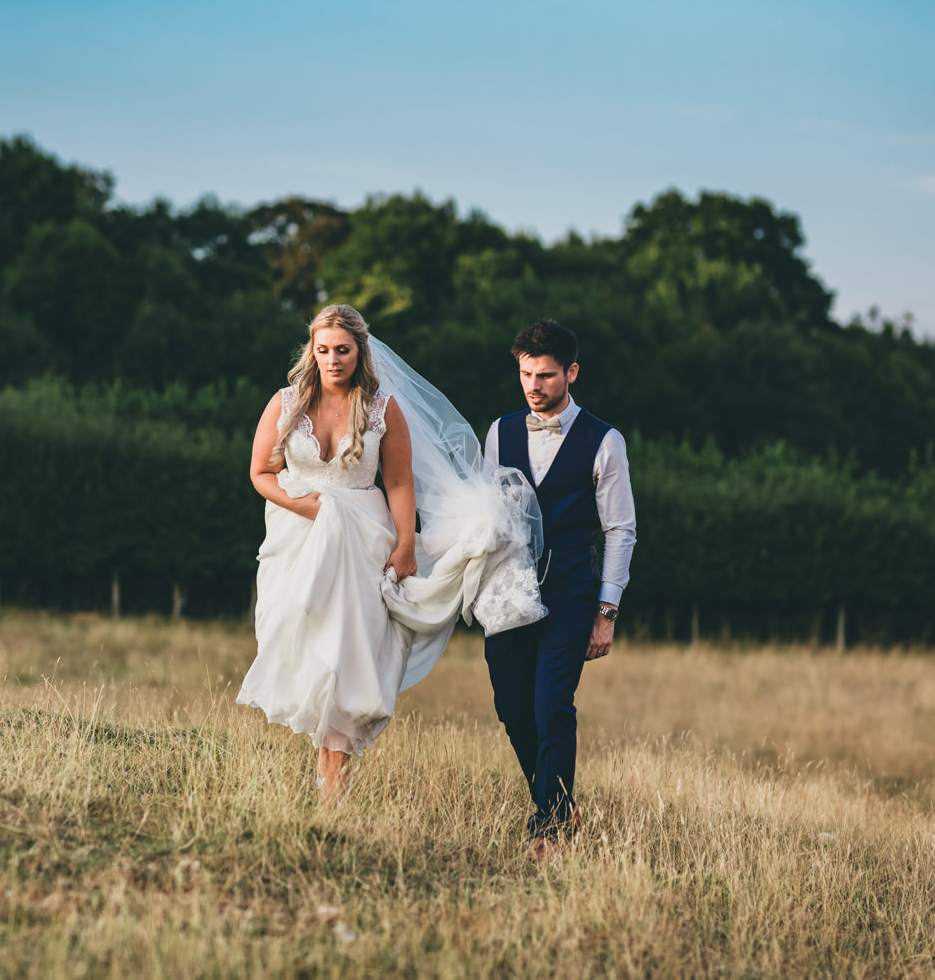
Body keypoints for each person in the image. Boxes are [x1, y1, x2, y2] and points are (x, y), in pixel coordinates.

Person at [238, 305, 545, 801]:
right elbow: (260, 473)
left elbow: (400, 482)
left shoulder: (382, 408)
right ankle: (324, 769)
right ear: (310, 352)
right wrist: (306, 505)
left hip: (364, 540)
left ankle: (331, 785)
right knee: (300, 645)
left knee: (348, 655)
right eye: (323, 350)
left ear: (359, 351)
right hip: (298, 539)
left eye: (342, 350)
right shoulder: (285, 403)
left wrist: (405, 544)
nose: (333, 359)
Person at [482, 319, 637, 857]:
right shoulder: (499, 432)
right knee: (511, 707)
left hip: (571, 589)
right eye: (525, 373)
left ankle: (547, 825)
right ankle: (559, 803)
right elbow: (488, 516)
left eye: (545, 375)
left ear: (571, 372)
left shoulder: (604, 440)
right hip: (508, 590)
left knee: (552, 706)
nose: (533, 385)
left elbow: (620, 530)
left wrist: (606, 612)